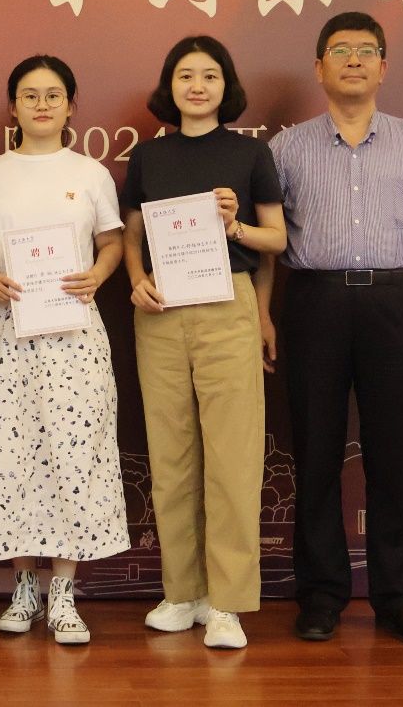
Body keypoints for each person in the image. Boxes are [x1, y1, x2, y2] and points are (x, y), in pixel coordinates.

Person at [266, 11, 403, 646]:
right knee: (316, 454)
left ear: (383, 66)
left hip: (393, 303)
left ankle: (395, 598)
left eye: (365, 50)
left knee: (390, 457)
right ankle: (320, 595)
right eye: (339, 50)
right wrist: (262, 315)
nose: (353, 60)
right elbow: (268, 243)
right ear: (318, 67)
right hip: (313, 304)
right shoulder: (286, 148)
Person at [0, 55, 130, 645]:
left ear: (71, 105)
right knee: (4, 454)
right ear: (13, 107)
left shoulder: (91, 173)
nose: (42, 104)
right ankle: (23, 584)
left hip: (72, 331)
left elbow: (112, 241)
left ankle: (64, 591)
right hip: (3, 328)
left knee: (74, 455)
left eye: (54, 95)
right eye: (29, 95)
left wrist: (98, 274)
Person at [121, 35, 286, 650]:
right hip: (162, 309)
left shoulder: (250, 154)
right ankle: (181, 593)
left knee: (232, 457)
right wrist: (136, 279)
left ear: (226, 86)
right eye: (185, 75)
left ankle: (227, 603)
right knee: (171, 457)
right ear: (170, 85)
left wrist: (235, 225)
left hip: (227, 305)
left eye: (209, 75)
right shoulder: (148, 157)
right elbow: (131, 234)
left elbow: (277, 241)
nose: (197, 85)